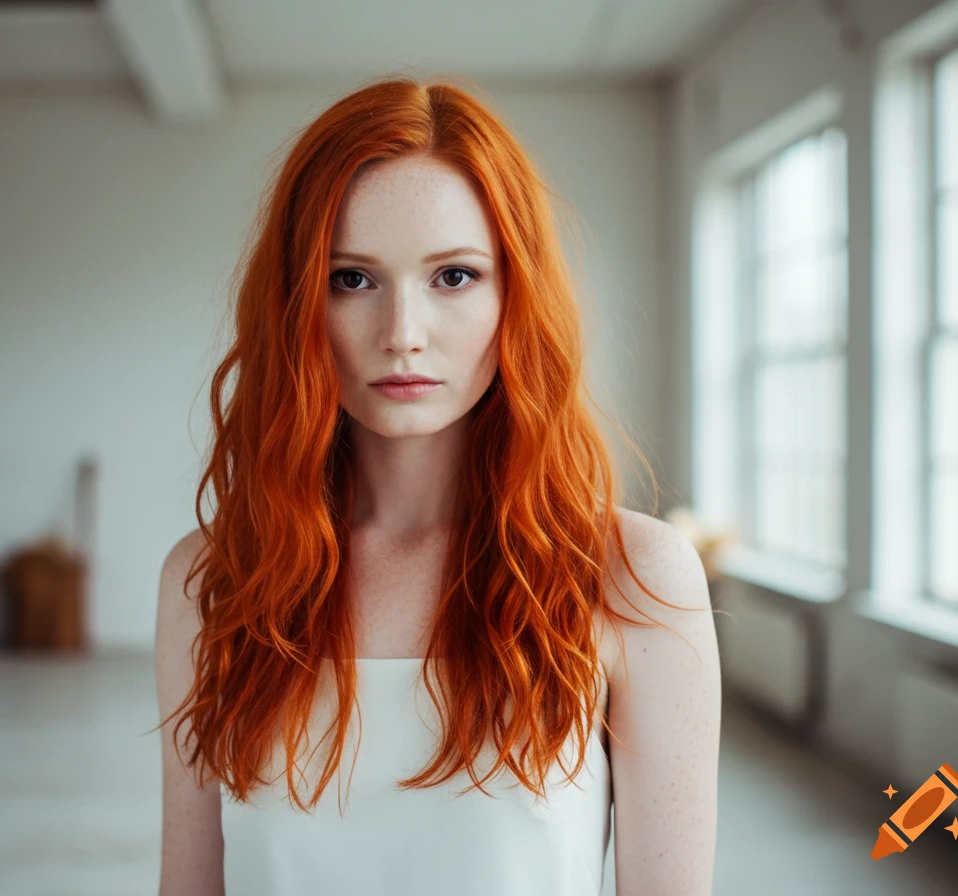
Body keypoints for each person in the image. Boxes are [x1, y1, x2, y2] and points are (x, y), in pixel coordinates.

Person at [154, 75, 721, 896]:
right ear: (295, 304)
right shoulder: (208, 581)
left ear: (515, 294)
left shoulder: (632, 575)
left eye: (453, 277)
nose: (402, 335)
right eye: (352, 278)